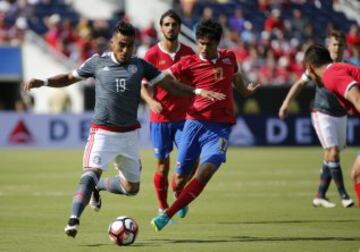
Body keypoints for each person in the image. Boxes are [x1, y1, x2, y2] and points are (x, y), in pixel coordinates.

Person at [23, 21, 225, 238]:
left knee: (132, 188)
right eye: (121, 45)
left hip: (129, 136)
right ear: (112, 43)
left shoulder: (140, 65)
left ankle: (98, 187)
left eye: (130, 45)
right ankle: (74, 219)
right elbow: (69, 78)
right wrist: (43, 81)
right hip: (102, 132)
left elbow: (171, 85)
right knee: (90, 170)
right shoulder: (97, 63)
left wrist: (196, 91)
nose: (126, 50)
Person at [150, 19, 259, 231]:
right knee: (180, 179)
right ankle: (178, 193)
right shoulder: (188, 63)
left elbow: (236, 80)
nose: (203, 47)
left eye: (208, 44)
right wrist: (194, 91)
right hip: (194, 123)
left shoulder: (229, 57)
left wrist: (246, 91)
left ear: (217, 43)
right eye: (200, 43)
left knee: (205, 172)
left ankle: (166, 215)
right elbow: (164, 78)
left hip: (220, 128)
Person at [279, 30, 354, 208]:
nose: (337, 48)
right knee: (333, 151)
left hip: (341, 115)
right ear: (329, 47)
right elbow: (299, 83)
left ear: (345, 47)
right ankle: (344, 195)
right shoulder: (318, 67)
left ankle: (319, 195)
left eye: (340, 45)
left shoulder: (347, 68)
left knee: (331, 155)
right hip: (322, 113)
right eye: (334, 44)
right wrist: (286, 103)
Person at [141, 10, 196, 216]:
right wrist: (151, 101)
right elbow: (143, 86)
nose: (170, 28)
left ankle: (178, 190)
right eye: (167, 24)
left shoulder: (189, 53)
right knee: (163, 166)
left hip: (185, 118)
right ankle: (163, 207)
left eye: (174, 24)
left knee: (192, 160)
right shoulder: (152, 55)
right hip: (161, 118)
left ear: (179, 27)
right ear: (161, 27)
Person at [303, 44, 360, 208]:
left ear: (310, 67)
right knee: (356, 173)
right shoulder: (337, 69)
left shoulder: (331, 75)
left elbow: (357, 99)